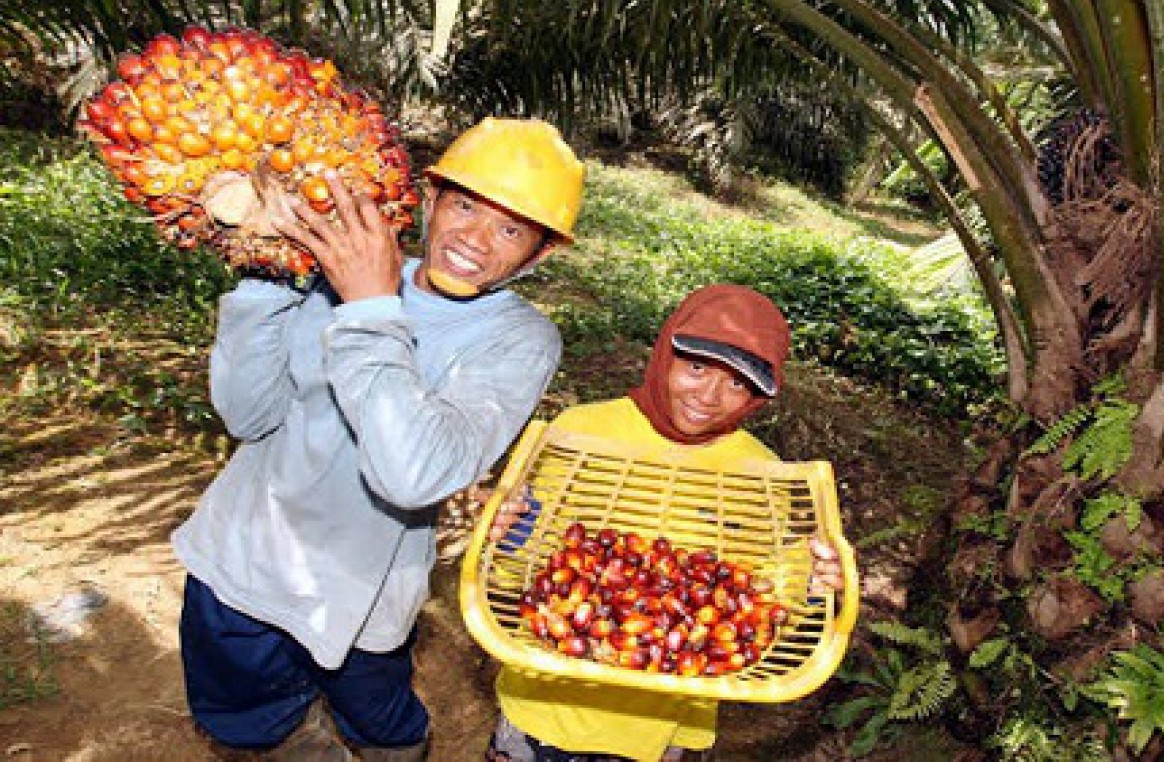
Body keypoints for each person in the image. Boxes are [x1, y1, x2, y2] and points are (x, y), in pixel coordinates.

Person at [170, 117, 586, 761]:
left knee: (382, 723)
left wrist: (368, 307)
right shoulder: (330, 273)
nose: (474, 239)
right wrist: (266, 274)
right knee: (251, 722)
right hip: (246, 560)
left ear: (541, 253)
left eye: (510, 229)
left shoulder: (519, 340)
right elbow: (249, 417)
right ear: (430, 198)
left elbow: (414, 474)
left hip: (363, 589)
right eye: (465, 206)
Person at [481, 284, 847, 762]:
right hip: (547, 710)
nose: (710, 397)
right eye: (697, 368)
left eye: (737, 384)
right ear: (665, 355)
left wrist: (821, 584)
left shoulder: (763, 476)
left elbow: (773, 601)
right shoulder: (580, 431)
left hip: (666, 733)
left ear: (757, 397)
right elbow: (520, 576)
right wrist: (509, 535)